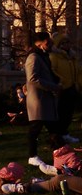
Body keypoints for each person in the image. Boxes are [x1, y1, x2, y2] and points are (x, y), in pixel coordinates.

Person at [25, 31, 64, 162]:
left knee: (53, 128)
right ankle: (33, 155)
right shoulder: (34, 57)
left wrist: (56, 81)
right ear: (40, 44)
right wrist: (53, 86)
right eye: (48, 43)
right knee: (36, 129)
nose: (50, 45)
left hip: (45, 99)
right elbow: (33, 78)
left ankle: (59, 153)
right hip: (39, 100)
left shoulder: (43, 56)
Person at [49, 33, 80, 143]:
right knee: (62, 113)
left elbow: (78, 72)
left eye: (68, 42)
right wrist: (60, 81)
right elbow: (52, 71)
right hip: (61, 88)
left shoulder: (72, 57)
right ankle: (59, 134)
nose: (67, 45)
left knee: (69, 113)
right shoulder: (54, 56)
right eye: (64, 43)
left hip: (72, 87)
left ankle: (63, 132)